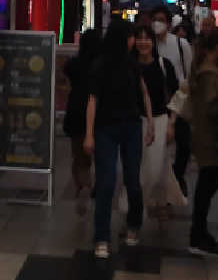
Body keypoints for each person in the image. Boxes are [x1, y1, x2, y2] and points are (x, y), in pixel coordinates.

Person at [84, 20, 155, 259]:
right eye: (130, 37)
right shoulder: (100, 65)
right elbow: (92, 99)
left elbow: (143, 92)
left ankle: (133, 225)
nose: (133, 41)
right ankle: (101, 237)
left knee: (133, 180)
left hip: (131, 126)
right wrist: (89, 133)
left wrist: (151, 122)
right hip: (106, 128)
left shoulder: (131, 64)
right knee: (106, 182)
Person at [188, 29, 218, 256]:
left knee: (207, 185)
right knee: (207, 185)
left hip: (205, 135)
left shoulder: (205, 70)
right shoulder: (210, 74)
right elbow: (212, 106)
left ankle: (199, 232)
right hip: (210, 137)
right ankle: (198, 234)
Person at [134, 25, 181, 218]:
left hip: (161, 120)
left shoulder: (163, 65)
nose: (143, 42)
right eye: (139, 38)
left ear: (153, 42)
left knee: (156, 166)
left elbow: (176, 95)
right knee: (140, 168)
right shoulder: (130, 65)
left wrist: (172, 123)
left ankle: (147, 205)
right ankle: (138, 210)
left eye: (147, 38)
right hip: (136, 121)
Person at [151, 6, 192, 195]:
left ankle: (178, 174)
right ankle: (160, 179)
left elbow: (189, 72)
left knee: (184, 143)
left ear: (168, 23)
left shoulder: (181, 45)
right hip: (156, 99)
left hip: (179, 98)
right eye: (154, 19)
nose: (157, 23)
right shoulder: (148, 44)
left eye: (161, 20)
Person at [63, 29, 102, 213]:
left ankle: (83, 183)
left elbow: (66, 71)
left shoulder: (74, 64)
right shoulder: (102, 65)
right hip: (98, 112)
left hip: (76, 110)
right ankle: (93, 185)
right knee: (98, 154)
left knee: (79, 154)